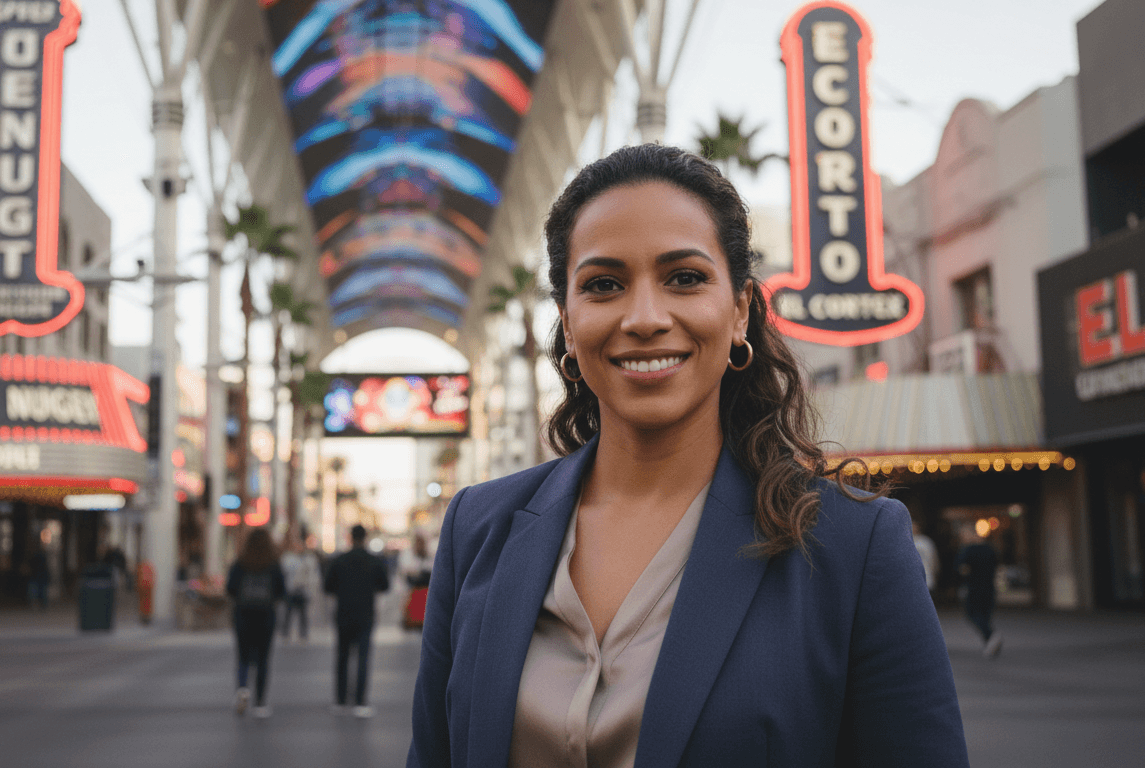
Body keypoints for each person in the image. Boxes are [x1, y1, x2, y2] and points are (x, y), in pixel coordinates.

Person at [407, 145, 968, 767]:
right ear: (568, 324)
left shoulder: (851, 546)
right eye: (604, 285)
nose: (645, 317)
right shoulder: (478, 529)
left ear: (740, 311)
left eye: (685, 278)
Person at [325, 524, 391, 718]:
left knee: (342, 656)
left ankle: (340, 700)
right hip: (365, 613)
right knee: (363, 656)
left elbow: (328, 586)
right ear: (365, 538)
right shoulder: (373, 561)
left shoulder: (339, 560)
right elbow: (384, 586)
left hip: (343, 612)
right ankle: (361, 702)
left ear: (350, 537)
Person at [226, 527, 285, 717]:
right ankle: (260, 702)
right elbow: (281, 591)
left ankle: (243, 689)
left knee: (243, 656)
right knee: (263, 658)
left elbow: (230, 588)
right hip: (266, 616)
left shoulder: (241, 562)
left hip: (243, 615)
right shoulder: (273, 564)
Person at [956, 526, 1002, 659]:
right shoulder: (990, 549)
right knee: (985, 615)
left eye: (964, 535)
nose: (962, 538)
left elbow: (960, 568)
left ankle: (991, 636)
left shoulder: (968, 550)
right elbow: (996, 565)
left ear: (971, 534)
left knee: (972, 614)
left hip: (973, 586)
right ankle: (990, 643)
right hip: (989, 586)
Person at [279, 536, 317, 641]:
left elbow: (312, 575)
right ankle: (285, 633)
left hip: (303, 590)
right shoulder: (287, 558)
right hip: (291, 589)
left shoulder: (308, 559)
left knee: (303, 614)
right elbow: (283, 572)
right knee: (288, 613)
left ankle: (303, 634)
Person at [913, 520, 940, 595]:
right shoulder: (905, 541)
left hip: (927, 577)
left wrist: (935, 573)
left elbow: (933, 559)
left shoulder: (925, 541)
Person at [26, 546, 50, 611]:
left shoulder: (35, 557)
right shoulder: (42, 557)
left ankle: (37, 605)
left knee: (37, 591)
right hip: (39, 576)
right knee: (40, 591)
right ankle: (42, 605)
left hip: (37, 576)